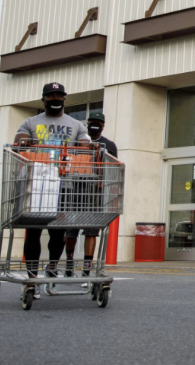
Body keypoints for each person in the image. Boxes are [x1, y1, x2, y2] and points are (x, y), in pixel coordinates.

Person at [13, 82, 90, 298]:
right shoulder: (31, 122)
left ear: (65, 99)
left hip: (64, 184)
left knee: (58, 232)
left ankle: (52, 266)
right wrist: (23, 140)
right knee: (34, 230)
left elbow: (85, 143)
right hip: (37, 184)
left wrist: (85, 145)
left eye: (59, 95)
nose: (55, 98)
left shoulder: (76, 124)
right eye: (51, 95)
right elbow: (18, 141)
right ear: (43, 99)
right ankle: (32, 278)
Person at [64, 111, 118, 279]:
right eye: (92, 122)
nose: (95, 125)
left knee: (91, 232)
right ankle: (69, 262)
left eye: (98, 122)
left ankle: (86, 268)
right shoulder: (79, 141)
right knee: (71, 231)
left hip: (96, 194)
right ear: (87, 124)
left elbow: (113, 168)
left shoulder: (109, 145)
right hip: (77, 190)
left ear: (103, 126)